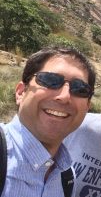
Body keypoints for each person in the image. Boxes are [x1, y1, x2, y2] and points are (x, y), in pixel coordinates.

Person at [0, 47, 95, 197]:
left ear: (87, 107)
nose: (64, 96)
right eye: (50, 80)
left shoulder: (67, 178)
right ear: (20, 92)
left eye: (80, 89)